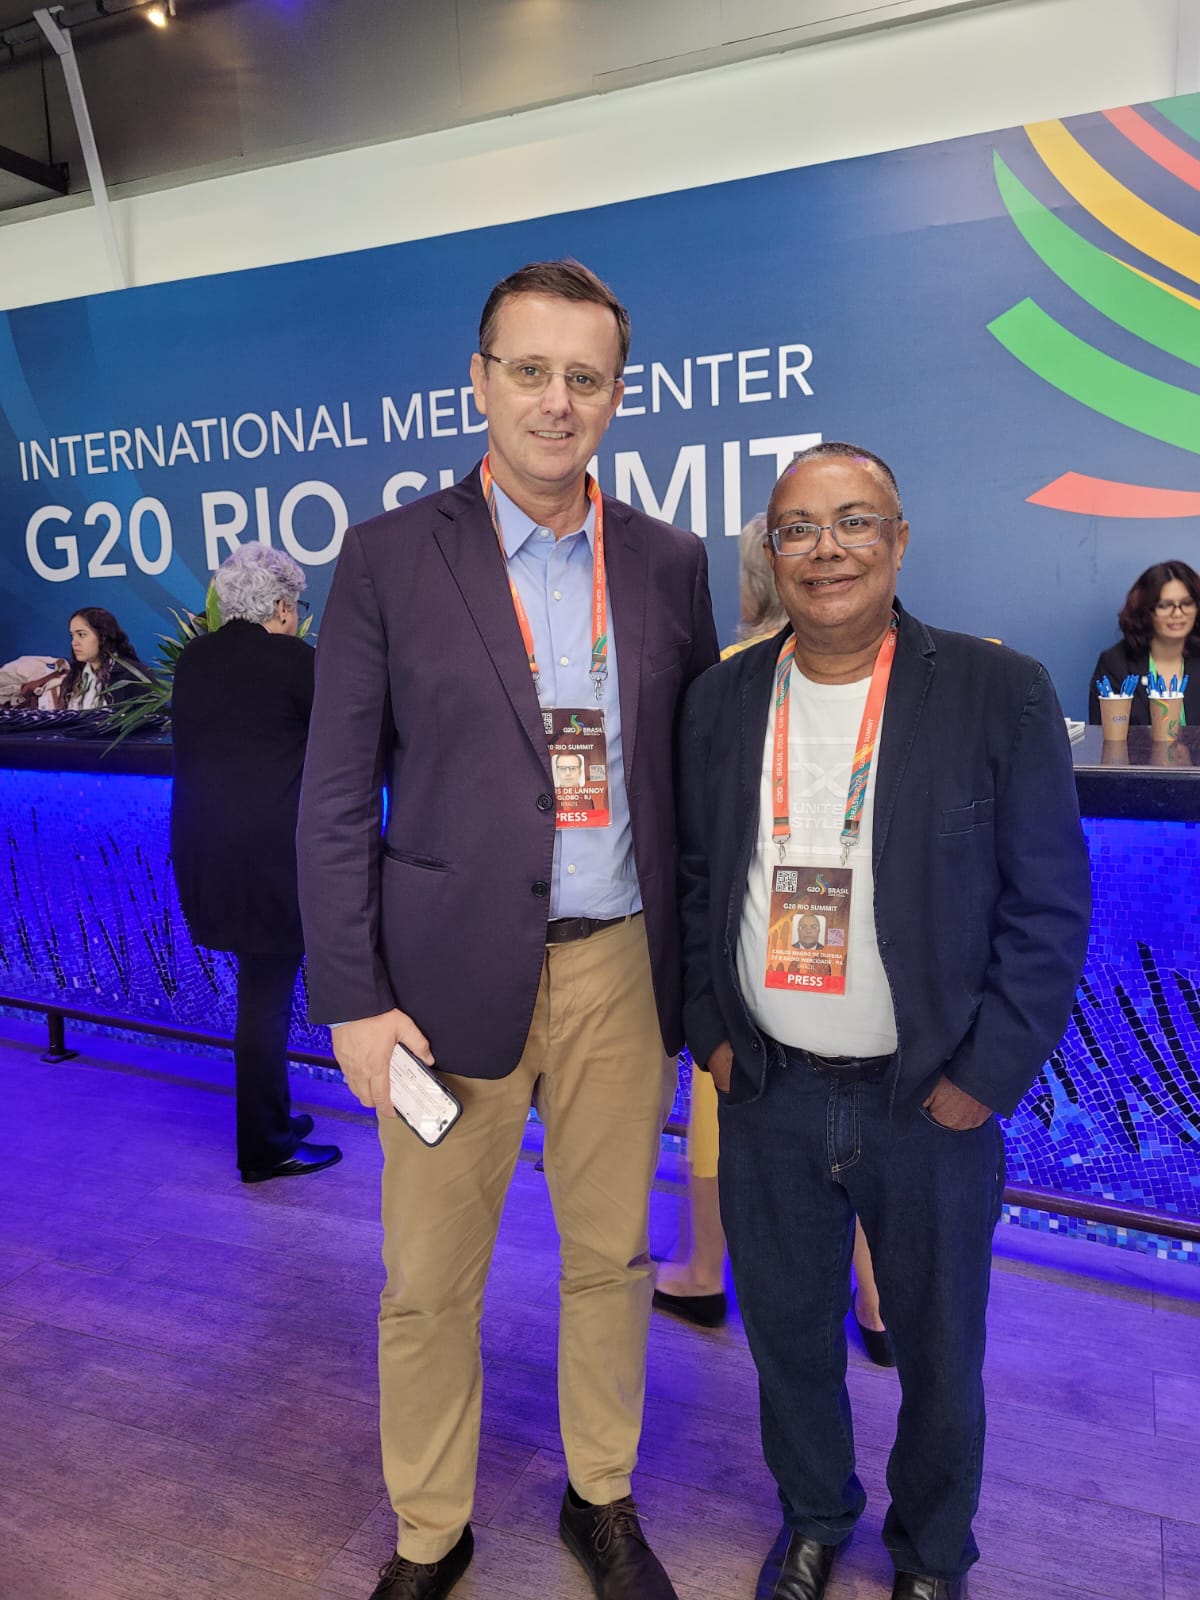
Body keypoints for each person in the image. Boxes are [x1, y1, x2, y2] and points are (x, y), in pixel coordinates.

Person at [296, 258, 718, 1600]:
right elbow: (332, 795)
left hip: (621, 972)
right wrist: (352, 998)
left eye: (583, 377)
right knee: (427, 1280)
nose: (555, 401)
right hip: (436, 989)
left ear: (616, 395)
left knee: (613, 1257)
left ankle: (603, 1496)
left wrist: (706, 985)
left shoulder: (669, 563)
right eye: (529, 371)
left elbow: (692, 788)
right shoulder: (387, 555)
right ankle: (432, 1530)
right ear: (479, 380)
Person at [677, 442, 1091, 1600]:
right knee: (788, 1340)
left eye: (855, 521)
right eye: (799, 528)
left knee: (942, 1357)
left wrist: (984, 1077)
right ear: (771, 552)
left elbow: (1049, 904)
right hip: (768, 1089)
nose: (827, 549)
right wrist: (713, 1034)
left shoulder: (995, 690)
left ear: (899, 542)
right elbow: (697, 882)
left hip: (929, 1100)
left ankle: (932, 1552)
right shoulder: (720, 698)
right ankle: (815, 1516)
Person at [654, 515, 894, 1361]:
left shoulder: (722, 679)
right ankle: (876, 1300)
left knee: (723, 1121)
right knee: (861, 1132)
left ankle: (702, 1269)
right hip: (842, 968)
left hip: (751, 968)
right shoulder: (877, 674)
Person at [170, 544, 341, 1184]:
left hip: (206, 848)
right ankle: (267, 1147)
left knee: (259, 987)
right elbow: (350, 738)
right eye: (296, 605)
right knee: (266, 999)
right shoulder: (293, 661)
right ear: (282, 606)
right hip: (273, 858)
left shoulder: (195, 659)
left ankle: (273, 1120)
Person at [1088, 559, 1200, 726]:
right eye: (1164, 605)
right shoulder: (1115, 664)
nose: (1177, 613)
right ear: (1145, 610)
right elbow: (1105, 733)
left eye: (1186, 603)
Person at [22, 606, 143, 709]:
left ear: (103, 636)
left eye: (81, 635)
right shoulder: (74, 676)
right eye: (72, 636)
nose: (74, 642)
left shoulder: (132, 676)